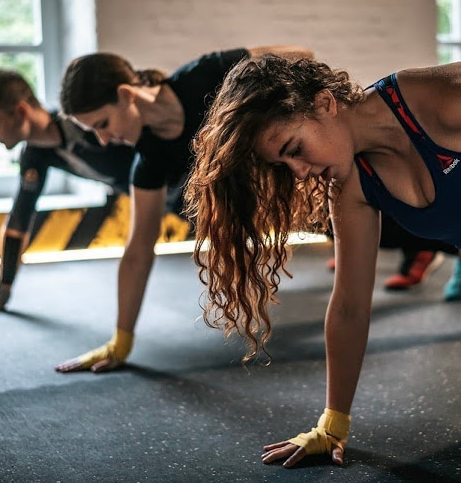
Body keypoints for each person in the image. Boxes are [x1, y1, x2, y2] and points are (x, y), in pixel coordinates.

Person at [184, 54, 461, 468]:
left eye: (295, 149)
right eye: (284, 164)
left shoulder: (441, 100)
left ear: (325, 103)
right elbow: (349, 304)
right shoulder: (349, 183)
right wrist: (333, 424)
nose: (298, 172)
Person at [54, 45, 314, 373]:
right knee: (376, 233)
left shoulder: (205, 75)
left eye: (102, 123)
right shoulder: (149, 161)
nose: (104, 140)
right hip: (279, 204)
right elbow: (137, 250)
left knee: (384, 221)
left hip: (307, 172)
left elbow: (301, 54)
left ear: (126, 95)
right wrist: (121, 342)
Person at [0, 69, 136, 315]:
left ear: (21, 111)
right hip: (158, 198)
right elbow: (18, 221)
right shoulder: (35, 155)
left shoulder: (84, 122)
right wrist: (2, 295)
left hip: (184, 185)